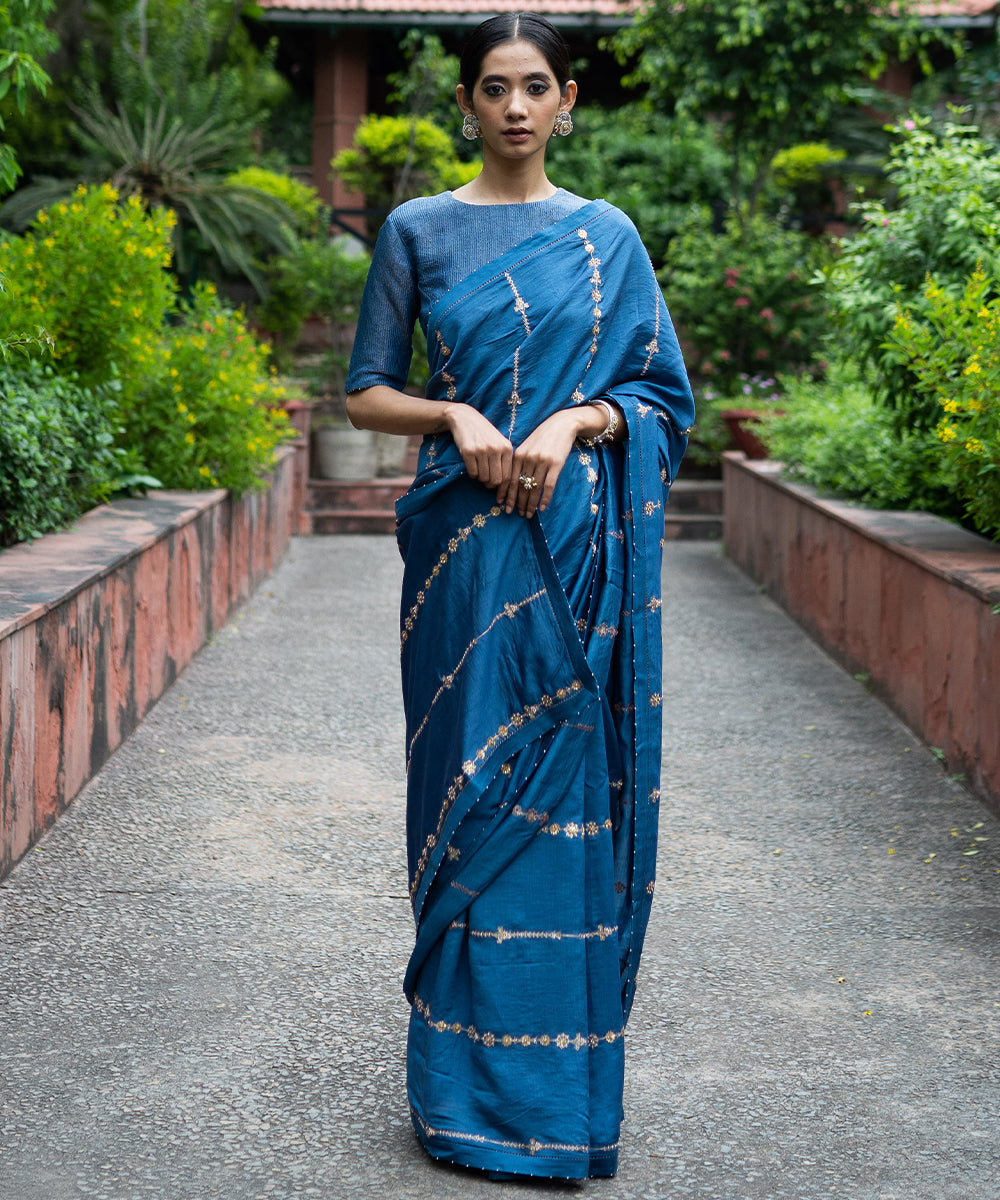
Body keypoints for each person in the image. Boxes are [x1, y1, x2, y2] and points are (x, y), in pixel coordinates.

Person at [345, 11, 694, 1181]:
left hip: (577, 546)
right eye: (492, 87)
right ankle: (460, 1101)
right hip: (461, 554)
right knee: (468, 794)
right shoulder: (418, 230)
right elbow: (364, 393)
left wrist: (569, 417)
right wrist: (454, 413)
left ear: (567, 100)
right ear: (465, 103)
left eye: (533, 86)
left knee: (564, 812)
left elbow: (657, 398)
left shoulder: (607, 238)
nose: (512, 107)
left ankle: (557, 1106)